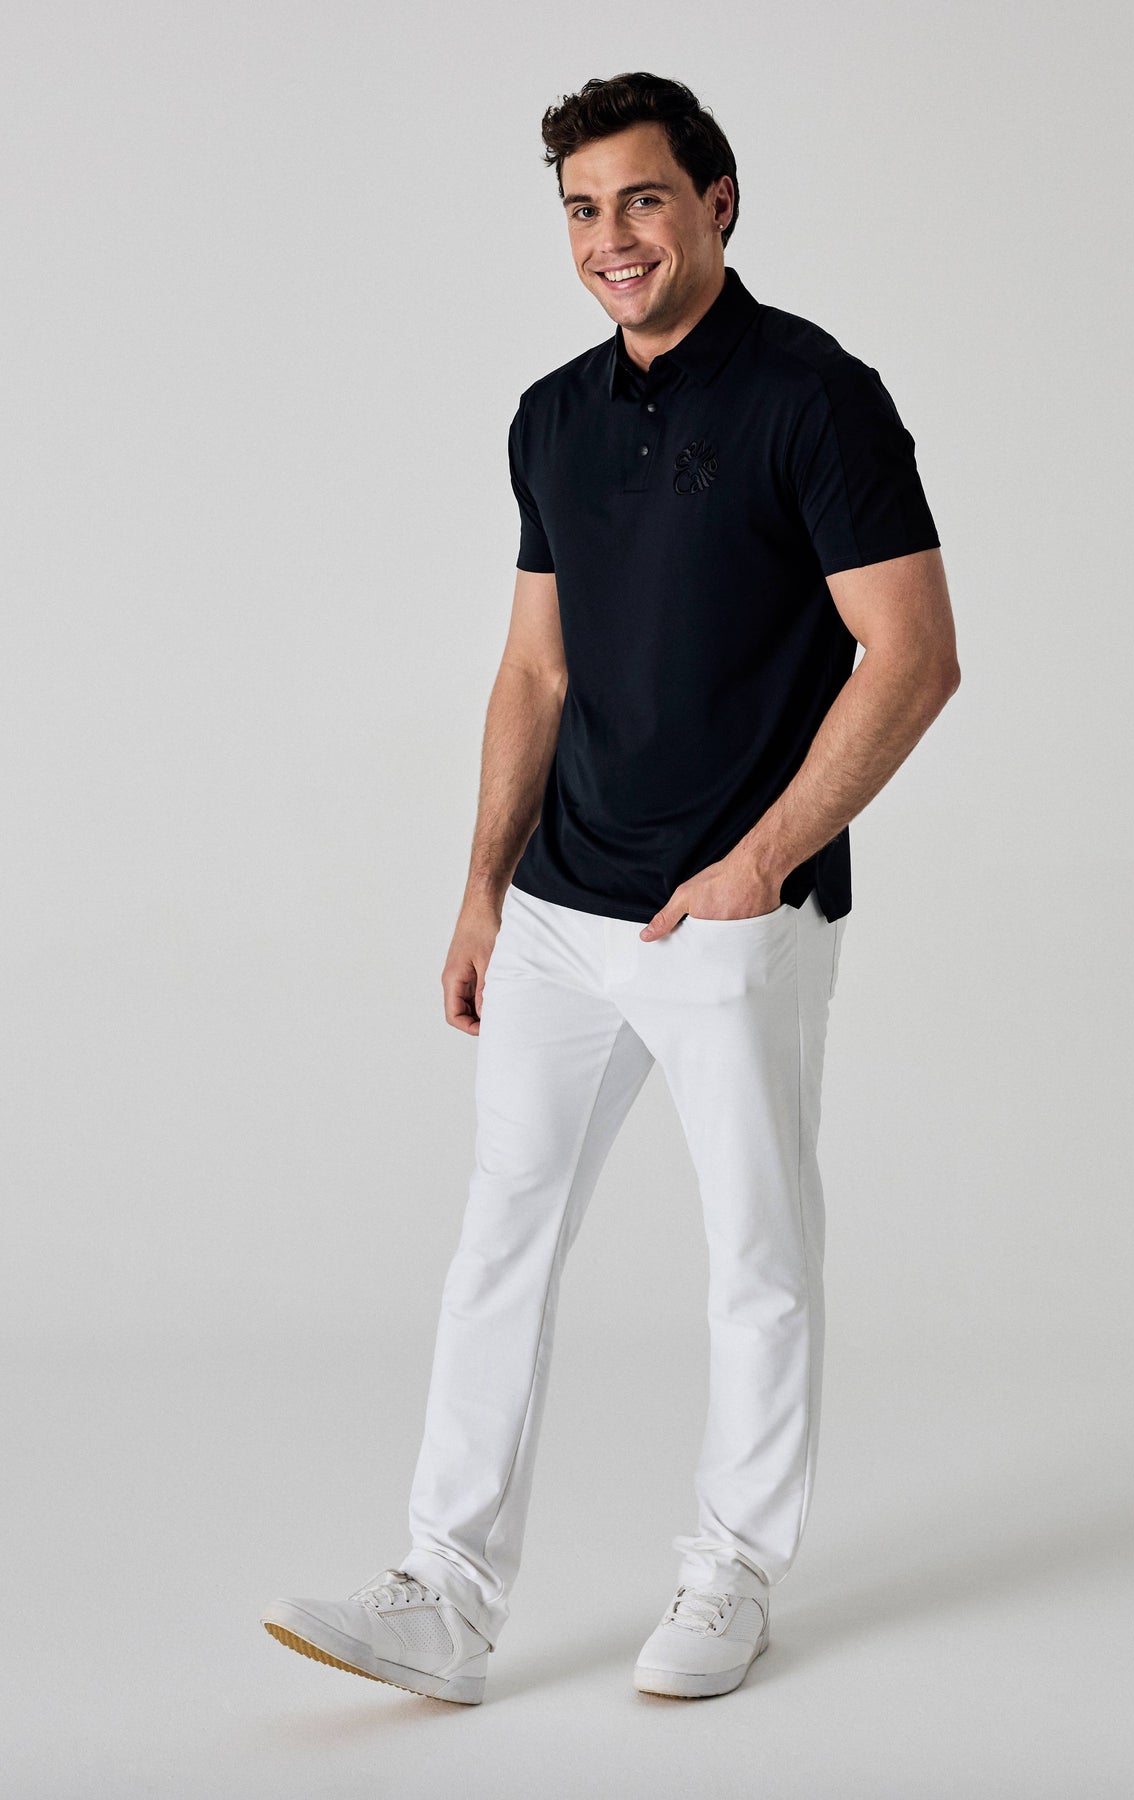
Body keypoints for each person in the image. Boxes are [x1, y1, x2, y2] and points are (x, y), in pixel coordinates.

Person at [261, 70, 959, 1706]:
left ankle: (731, 1573)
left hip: (732, 913)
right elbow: (534, 670)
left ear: (716, 202)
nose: (609, 238)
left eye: (641, 199)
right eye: (581, 210)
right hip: (561, 910)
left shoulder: (817, 399)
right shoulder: (551, 416)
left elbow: (913, 656)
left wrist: (757, 863)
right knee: (498, 1239)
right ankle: (445, 1595)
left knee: (755, 1253)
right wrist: (481, 891)